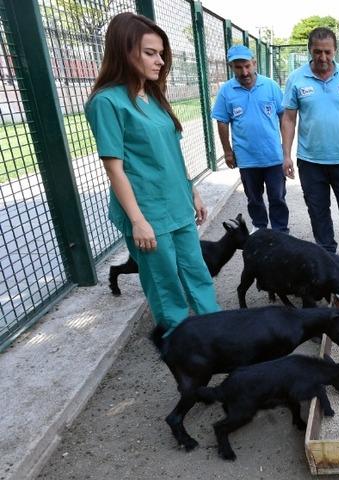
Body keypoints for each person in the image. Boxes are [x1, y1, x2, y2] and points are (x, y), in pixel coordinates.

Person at [85, 12, 219, 334]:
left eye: (161, 53)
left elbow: (171, 153)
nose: (160, 61)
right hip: (147, 212)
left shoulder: (153, 95)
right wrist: (137, 221)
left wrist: (193, 191)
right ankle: (181, 350)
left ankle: (219, 335)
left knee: (196, 272)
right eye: (150, 53)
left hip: (177, 205)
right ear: (123, 51)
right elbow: (114, 169)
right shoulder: (107, 102)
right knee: (165, 286)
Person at [281, 27, 339, 264]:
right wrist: (286, 155)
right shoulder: (296, 78)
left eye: (328, 52)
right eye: (317, 52)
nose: (323, 58)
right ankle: (327, 254)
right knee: (318, 211)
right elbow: (288, 119)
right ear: (309, 50)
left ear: (335, 50)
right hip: (310, 161)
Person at [212, 44, 291, 232]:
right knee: (254, 198)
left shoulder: (270, 86)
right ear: (232, 67)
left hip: (273, 155)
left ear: (254, 63)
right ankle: (260, 228)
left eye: (247, 66)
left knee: (277, 196)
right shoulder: (226, 91)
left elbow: (284, 117)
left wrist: (286, 150)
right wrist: (227, 152)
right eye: (238, 67)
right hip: (247, 158)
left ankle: (281, 230)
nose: (244, 72)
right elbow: (222, 121)